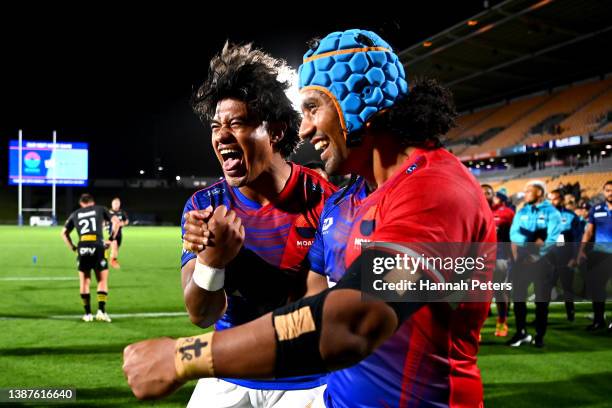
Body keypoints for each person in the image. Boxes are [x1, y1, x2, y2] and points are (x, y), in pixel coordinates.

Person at [123, 29, 496, 407]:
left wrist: (184, 357)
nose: (305, 129)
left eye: (313, 108)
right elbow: (315, 307)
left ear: (359, 100)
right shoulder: (349, 203)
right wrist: (212, 263)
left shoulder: (434, 191)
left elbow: (350, 322)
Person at [180, 42, 336, 407]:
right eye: (217, 125)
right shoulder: (204, 206)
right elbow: (200, 315)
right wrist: (210, 263)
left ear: (277, 131)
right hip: (226, 377)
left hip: (303, 383)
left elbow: (320, 316)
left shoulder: (325, 202)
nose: (221, 136)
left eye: (236, 123)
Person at [507, 181, 562, 348]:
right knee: (518, 297)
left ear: (539, 192)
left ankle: (539, 335)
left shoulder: (552, 212)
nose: (525, 194)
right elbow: (514, 233)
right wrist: (527, 245)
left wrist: (538, 253)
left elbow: (552, 237)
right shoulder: (522, 211)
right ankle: (521, 332)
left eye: (529, 191)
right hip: (522, 259)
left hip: (543, 260)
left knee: (541, 300)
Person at [61, 193, 119, 322]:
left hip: (82, 247)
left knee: (85, 281)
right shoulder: (100, 209)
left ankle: (87, 314)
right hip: (98, 245)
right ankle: (101, 312)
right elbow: (116, 222)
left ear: (81, 203)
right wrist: (111, 239)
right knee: (102, 280)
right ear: (92, 202)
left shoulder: (75, 214)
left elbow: (63, 233)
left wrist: (73, 248)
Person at [577, 181, 612, 331]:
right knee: (597, 287)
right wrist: (581, 250)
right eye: (608, 190)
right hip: (600, 254)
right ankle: (598, 320)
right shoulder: (596, 209)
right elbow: (589, 231)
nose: (610, 193)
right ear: (604, 192)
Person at [482, 184, 515, 336]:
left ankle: (502, 321)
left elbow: (512, 236)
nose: (484, 195)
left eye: (487, 192)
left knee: (499, 291)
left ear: (493, 195)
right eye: (481, 192)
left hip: (499, 257)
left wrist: (512, 256)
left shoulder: (506, 213)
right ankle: (477, 328)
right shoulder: (472, 210)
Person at [548, 189, 581, 321]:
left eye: (555, 199)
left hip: (565, 256)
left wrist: (574, 257)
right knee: (544, 287)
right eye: (549, 199)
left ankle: (570, 313)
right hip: (548, 257)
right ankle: (542, 315)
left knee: (567, 286)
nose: (552, 202)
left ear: (561, 200)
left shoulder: (571, 216)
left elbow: (577, 239)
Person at [108, 197, 129, 269]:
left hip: (119, 233)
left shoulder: (122, 212)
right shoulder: (109, 212)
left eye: (118, 203)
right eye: (115, 203)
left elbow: (126, 221)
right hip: (112, 232)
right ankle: (113, 261)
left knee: (116, 249)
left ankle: (112, 259)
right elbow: (103, 221)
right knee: (114, 246)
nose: (116, 205)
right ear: (112, 204)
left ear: (119, 204)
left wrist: (122, 223)